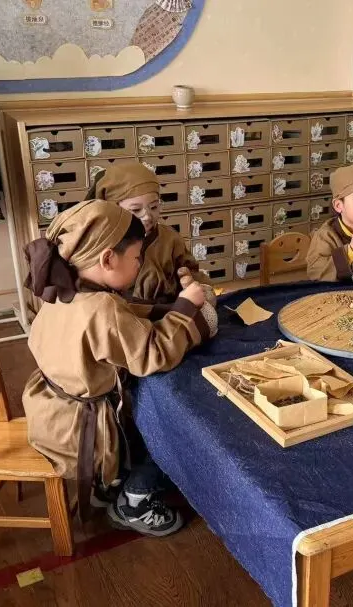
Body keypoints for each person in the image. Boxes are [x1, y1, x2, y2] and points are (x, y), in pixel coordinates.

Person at [21, 199, 211, 537]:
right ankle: (134, 501)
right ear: (108, 258)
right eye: (136, 258)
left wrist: (165, 310)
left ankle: (107, 485)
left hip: (51, 411)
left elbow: (124, 318)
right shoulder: (101, 307)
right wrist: (185, 308)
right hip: (80, 431)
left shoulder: (64, 289)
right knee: (172, 424)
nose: (139, 265)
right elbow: (153, 354)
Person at [87, 164, 199, 304]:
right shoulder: (99, 245)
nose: (147, 216)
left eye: (153, 207)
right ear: (113, 210)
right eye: (136, 210)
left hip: (170, 312)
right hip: (119, 313)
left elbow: (193, 275)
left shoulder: (170, 239)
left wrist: (199, 288)